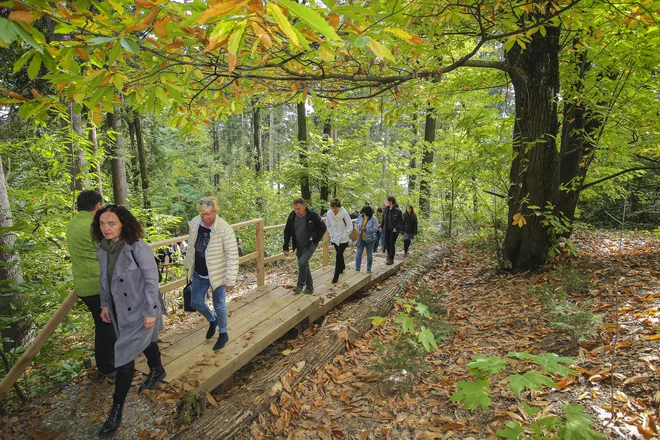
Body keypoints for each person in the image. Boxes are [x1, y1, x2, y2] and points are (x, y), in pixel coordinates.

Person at [92, 205, 167, 438]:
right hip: (118, 311)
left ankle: (116, 409)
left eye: (111, 223)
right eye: (102, 224)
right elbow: (104, 280)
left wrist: (150, 312)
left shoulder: (137, 248)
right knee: (144, 341)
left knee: (123, 357)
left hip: (141, 309)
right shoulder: (103, 249)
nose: (106, 228)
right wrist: (104, 304)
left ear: (123, 223)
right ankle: (157, 369)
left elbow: (151, 280)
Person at [66, 190, 116, 379]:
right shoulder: (94, 225)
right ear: (97, 206)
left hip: (83, 285)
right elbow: (110, 247)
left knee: (102, 326)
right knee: (107, 327)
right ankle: (108, 367)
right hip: (99, 284)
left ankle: (108, 365)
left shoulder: (73, 224)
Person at [184, 197, 239, 351]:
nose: (205, 218)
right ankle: (212, 320)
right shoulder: (195, 223)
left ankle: (223, 333)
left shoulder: (224, 228)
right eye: (202, 215)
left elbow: (232, 255)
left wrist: (230, 280)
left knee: (219, 304)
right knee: (195, 302)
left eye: (208, 214)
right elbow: (190, 247)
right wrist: (188, 267)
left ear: (215, 212)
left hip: (218, 273)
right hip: (199, 271)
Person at [283, 198, 327, 294]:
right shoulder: (292, 216)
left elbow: (323, 227)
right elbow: (287, 231)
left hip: (310, 245)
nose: (296, 211)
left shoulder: (312, 215)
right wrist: (285, 246)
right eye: (295, 208)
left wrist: (315, 240)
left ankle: (300, 285)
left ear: (304, 206)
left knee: (302, 262)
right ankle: (310, 288)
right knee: (304, 265)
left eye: (298, 209)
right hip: (299, 245)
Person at [325, 198, 353, 284]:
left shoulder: (344, 213)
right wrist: (332, 234)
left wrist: (344, 235)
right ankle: (342, 267)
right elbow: (328, 225)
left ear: (339, 207)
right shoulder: (329, 214)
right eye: (333, 207)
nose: (334, 209)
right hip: (335, 238)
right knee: (339, 254)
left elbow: (350, 226)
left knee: (338, 255)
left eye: (336, 207)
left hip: (343, 239)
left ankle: (336, 275)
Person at [379, 196, 403, 265]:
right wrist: (381, 226)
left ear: (391, 202)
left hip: (394, 230)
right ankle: (389, 254)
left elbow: (401, 221)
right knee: (387, 243)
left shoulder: (398, 210)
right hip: (387, 229)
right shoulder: (386, 209)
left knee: (391, 243)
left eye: (387, 201)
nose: (386, 203)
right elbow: (384, 218)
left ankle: (391, 259)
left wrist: (396, 228)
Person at [355, 205, 379, 273]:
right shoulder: (360, 216)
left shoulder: (374, 219)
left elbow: (375, 229)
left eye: (366, 214)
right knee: (358, 253)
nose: (365, 214)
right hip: (360, 238)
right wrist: (358, 226)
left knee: (369, 255)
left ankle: (368, 268)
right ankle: (357, 268)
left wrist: (365, 229)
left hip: (370, 240)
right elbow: (355, 224)